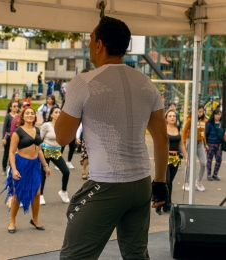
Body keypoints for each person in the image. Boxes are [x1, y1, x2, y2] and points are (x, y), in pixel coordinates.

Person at [55, 16, 168, 259]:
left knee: (74, 256)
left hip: (107, 184)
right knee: (136, 255)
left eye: (90, 41)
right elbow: (161, 136)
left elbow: (62, 137)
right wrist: (160, 182)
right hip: (141, 184)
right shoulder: (147, 83)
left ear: (99, 45)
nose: (89, 46)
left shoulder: (83, 82)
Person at [0, 107, 51, 234]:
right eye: (27, 113)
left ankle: (35, 219)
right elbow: (11, 152)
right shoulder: (18, 132)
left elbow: (39, 150)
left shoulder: (37, 130)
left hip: (35, 165)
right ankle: (12, 221)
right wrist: (14, 169)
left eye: (32, 113)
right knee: (17, 194)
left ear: (35, 116)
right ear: (22, 116)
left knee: (37, 193)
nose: (30, 115)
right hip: (21, 164)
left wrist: (45, 166)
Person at [155, 110, 188, 215]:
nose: (172, 118)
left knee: (170, 183)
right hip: (165, 158)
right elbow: (158, 144)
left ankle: (167, 204)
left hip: (175, 158)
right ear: (166, 118)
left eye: (174, 116)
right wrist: (157, 160)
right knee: (165, 181)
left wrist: (186, 158)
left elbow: (181, 144)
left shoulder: (178, 129)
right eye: (170, 116)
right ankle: (158, 204)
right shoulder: (163, 129)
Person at [40, 107, 70, 205]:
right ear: (51, 115)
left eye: (60, 112)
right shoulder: (46, 125)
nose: (58, 114)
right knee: (43, 173)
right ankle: (40, 195)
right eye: (56, 112)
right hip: (45, 151)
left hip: (56, 152)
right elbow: (39, 139)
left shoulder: (63, 126)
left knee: (66, 171)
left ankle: (63, 191)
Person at [182, 105, 207, 192]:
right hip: (191, 142)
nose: (200, 113)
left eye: (201, 111)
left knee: (203, 163)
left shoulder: (204, 121)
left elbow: (203, 134)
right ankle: (186, 182)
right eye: (198, 111)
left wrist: (205, 144)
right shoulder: (190, 120)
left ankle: (198, 182)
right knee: (189, 163)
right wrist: (184, 143)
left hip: (200, 144)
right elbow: (184, 131)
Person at [205, 108, 224, 181]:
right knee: (209, 160)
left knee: (219, 159)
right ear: (214, 115)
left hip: (219, 144)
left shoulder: (222, 124)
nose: (218, 116)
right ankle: (209, 175)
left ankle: (215, 174)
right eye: (216, 114)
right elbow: (205, 134)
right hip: (210, 144)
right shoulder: (209, 124)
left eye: (219, 114)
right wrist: (206, 144)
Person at [1, 101, 19, 176]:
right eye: (14, 106)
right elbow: (4, 127)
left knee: (16, 153)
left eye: (17, 106)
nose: (16, 107)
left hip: (17, 137)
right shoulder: (8, 116)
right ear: (10, 107)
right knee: (7, 153)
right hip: (8, 137)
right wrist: (3, 138)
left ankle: (12, 167)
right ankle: (4, 168)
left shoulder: (19, 116)